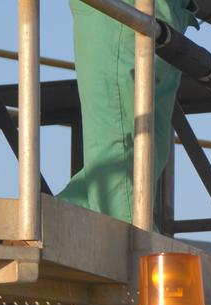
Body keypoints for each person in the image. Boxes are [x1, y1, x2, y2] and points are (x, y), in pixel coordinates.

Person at [59, 0, 197, 223]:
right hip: (126, 13)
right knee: (123, 151)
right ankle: (131, 248)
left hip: (160, 12)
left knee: (146, 151)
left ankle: (53, 225)